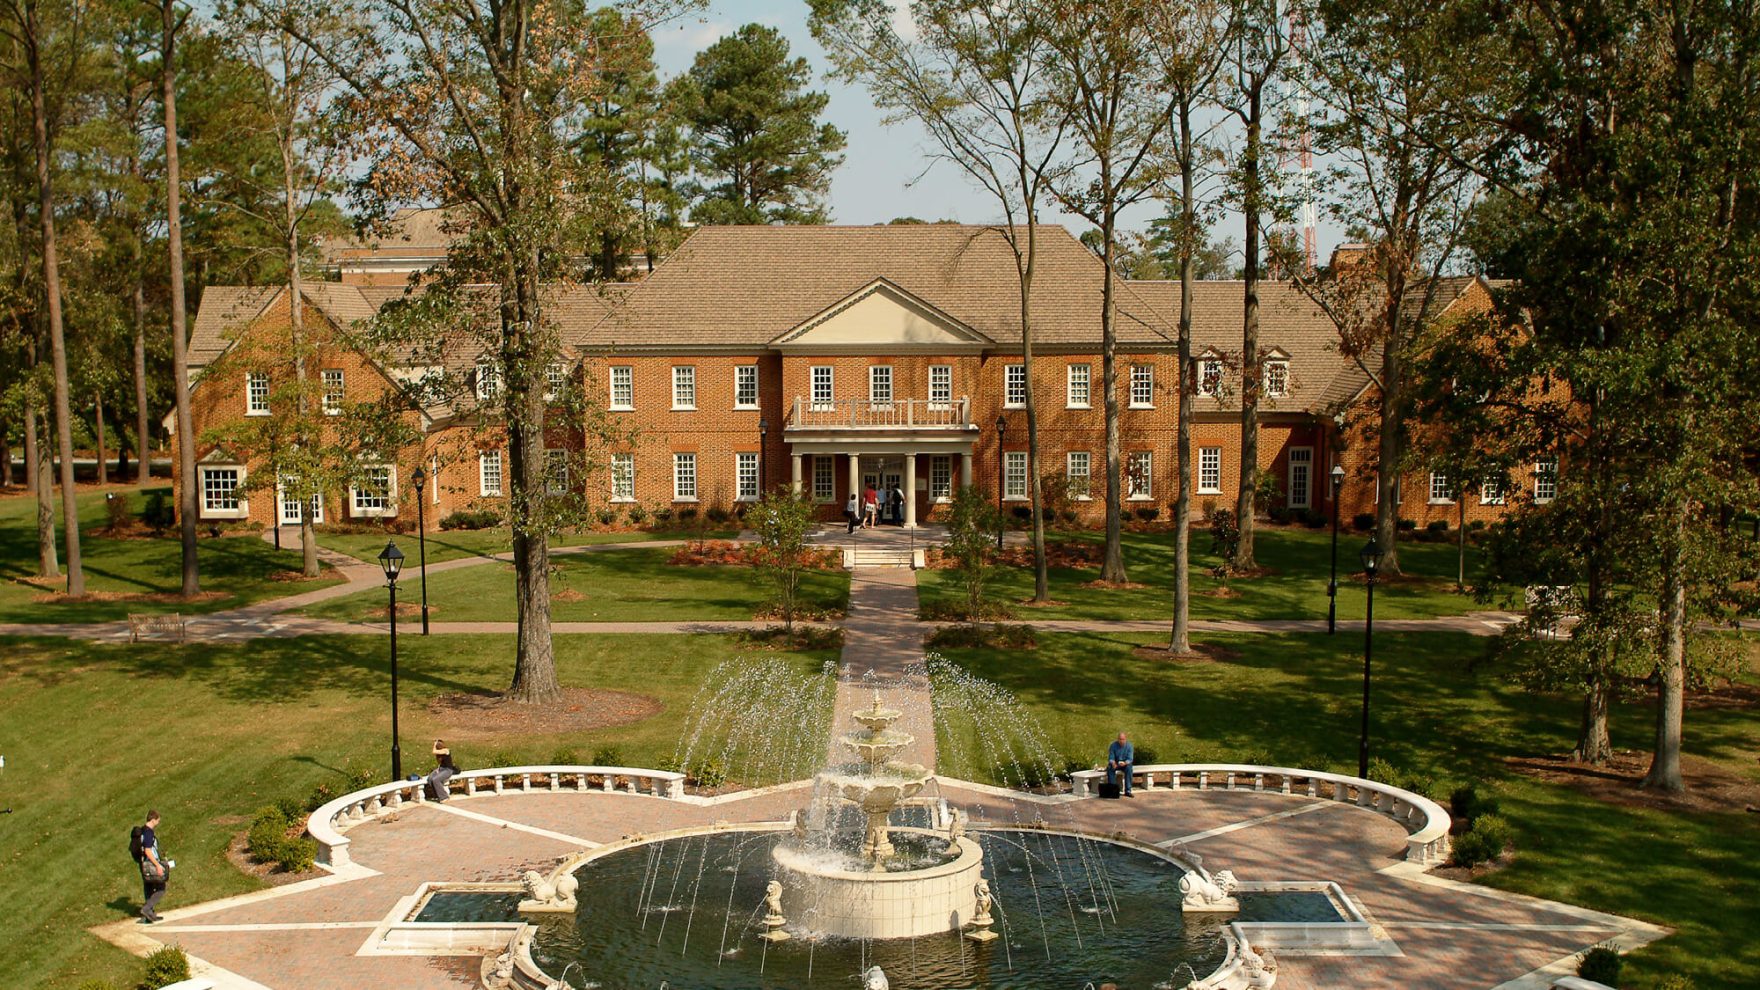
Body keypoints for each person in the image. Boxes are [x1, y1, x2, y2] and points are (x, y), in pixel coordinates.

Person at [131, 810, 168, 922]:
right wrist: (157, 865)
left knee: (148, 888)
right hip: (150, 863)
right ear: (153, 820)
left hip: (143, 864)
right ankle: (147, 909)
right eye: (158, 820)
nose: (158, 822)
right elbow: (148, 850)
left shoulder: (142, 830)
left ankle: (150, 914)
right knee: (161, 888)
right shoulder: (149, 832)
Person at [1106, 732, 1135, 798]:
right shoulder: (1113, 745)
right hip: (1116, 763)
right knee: (1110, 768)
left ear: (1125, 739)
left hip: (1125, 764)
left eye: (1123, 739)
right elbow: (1111, 757)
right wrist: (1113, 763)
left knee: (1129, 768)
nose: (1121, 741)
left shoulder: (1129, 746)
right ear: (1118, 739)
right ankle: (1113, 790)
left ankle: (1128, 791)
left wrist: (1125, 763)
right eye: (1120, 739)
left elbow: (1130, 759)